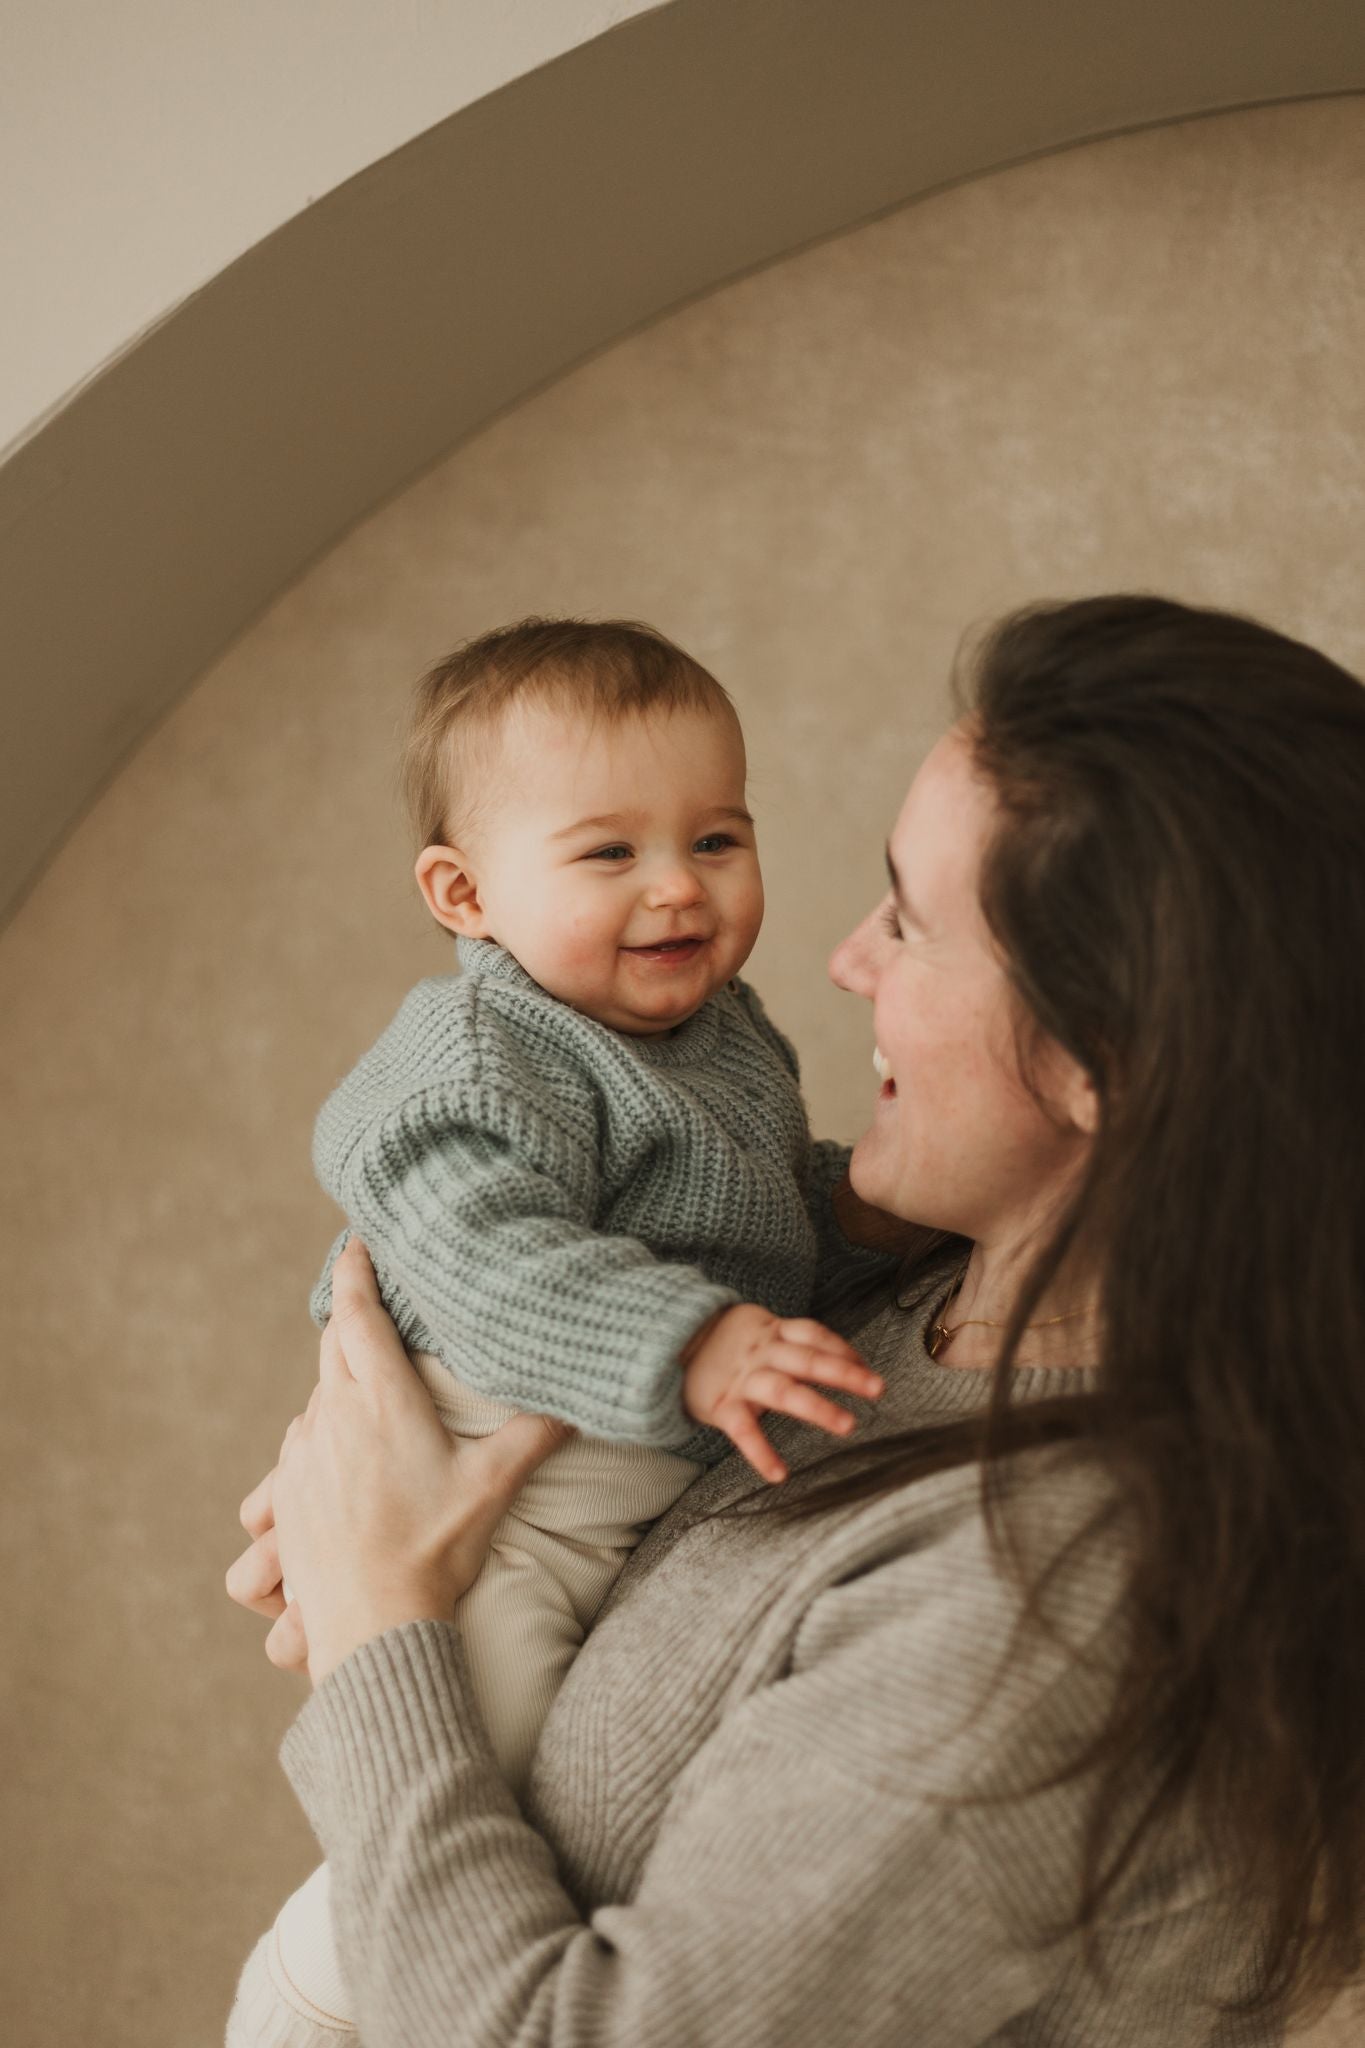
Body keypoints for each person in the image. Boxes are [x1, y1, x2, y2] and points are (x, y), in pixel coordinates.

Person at [227, 595, 1365, 2045]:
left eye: (909, 918)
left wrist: (382, 1614)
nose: (844, 960)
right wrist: (377, 1520)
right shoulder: (920, 1305)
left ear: (1102, 1060)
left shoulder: (1057, 1595)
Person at [232, 618, 899, 2046]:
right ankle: (313, 1992)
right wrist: (695, 1345)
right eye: (611, 855)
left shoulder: (731, 1041)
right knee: (498, 1783)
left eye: (717, 839)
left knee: (604, 1797)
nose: (677, 889)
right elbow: (480, 1254)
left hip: (627, 1481)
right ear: (463, 893)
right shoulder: (477, 1054)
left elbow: (769, 1221)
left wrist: (871, 1221)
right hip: (507, 1485)